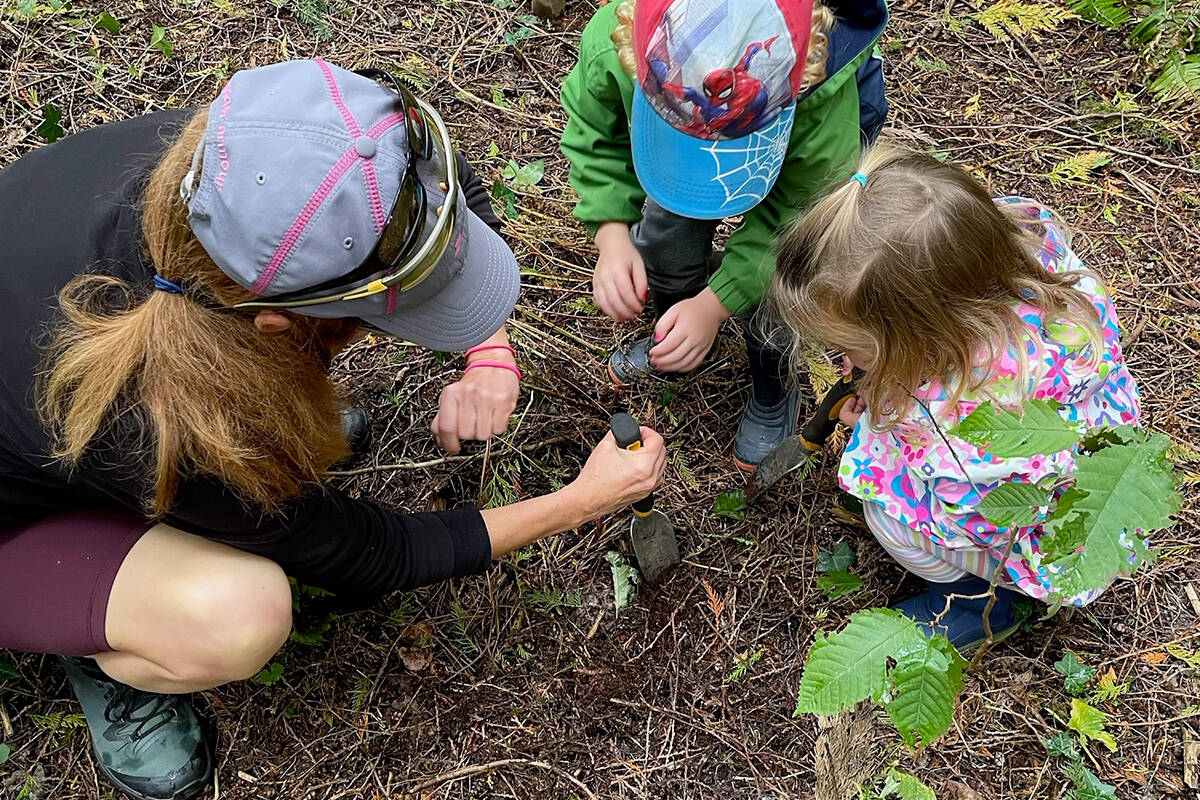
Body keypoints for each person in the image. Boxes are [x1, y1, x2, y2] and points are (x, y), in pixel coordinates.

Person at [0, 60, 665, 800]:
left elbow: (435, 190)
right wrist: (579, 501)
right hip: (23, 510)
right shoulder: (161, 416)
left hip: (56, 412)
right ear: (277, 323)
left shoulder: (251, 166)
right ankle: (103, 646)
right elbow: (363, 552)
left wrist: (490, 352)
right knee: (238, 612)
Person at [766, 143, 1141, 648]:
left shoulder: (951, 428)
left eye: (853, 350)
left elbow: (981, 508)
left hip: (1064, 545)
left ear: (923, 343)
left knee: (882, 507)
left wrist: (877, 430)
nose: (845, 364)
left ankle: (984, 601)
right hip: (1106, 464)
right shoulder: (1022, 246)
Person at [559, 0, 887, 470]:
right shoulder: (620, 42)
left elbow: (796, 217)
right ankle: (677, 329)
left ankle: (773, 384)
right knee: (664, 234)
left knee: (789, 281)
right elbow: (595, 131)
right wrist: (611, 232)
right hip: (687, 129)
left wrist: (717, 304)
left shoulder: (819, 86)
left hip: (813, 143)